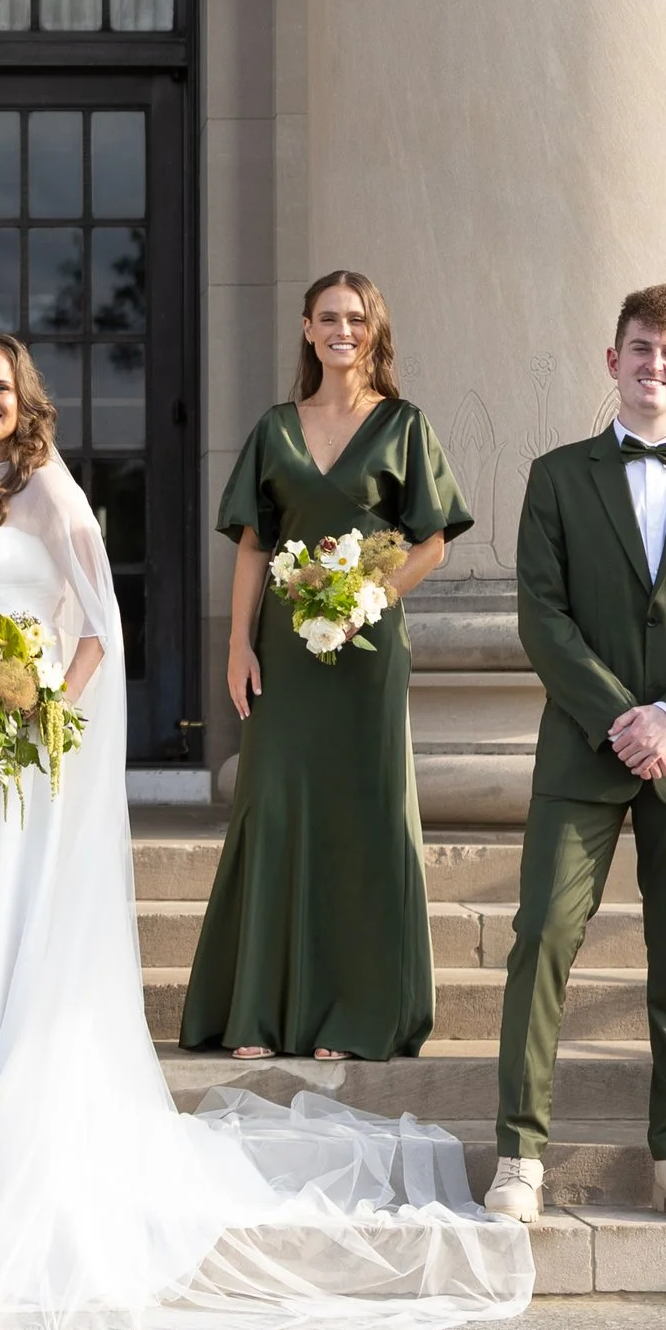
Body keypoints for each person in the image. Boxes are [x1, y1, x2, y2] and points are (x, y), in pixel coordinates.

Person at [0, 330, 532, 1330]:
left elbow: (98, 628)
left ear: (28, 400)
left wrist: (37, 716)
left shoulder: (51, 489)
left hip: (16, 747)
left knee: (5, 918)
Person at [486, 284, 666, 1229]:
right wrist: (622, 717)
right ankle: (520, 1155)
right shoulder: (558, 475)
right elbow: (543, 614)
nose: (655, 365)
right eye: (640, 348)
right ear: (612, 361)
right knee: (541, 940)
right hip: (583, 751)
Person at [181, 270, 466, 1065]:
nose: (342, 329)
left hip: (369, 656)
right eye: (328, 317)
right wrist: (238, 645)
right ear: (307, 330)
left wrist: (370, 597)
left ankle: (355, 1014)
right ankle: (260, 1012)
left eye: (356, 318)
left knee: (361, 817)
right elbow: (253, 547)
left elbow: (433, 541)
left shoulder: (405, 425)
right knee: (272, 807)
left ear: (374, 331)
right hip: (284, 652)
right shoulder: (275, 428)